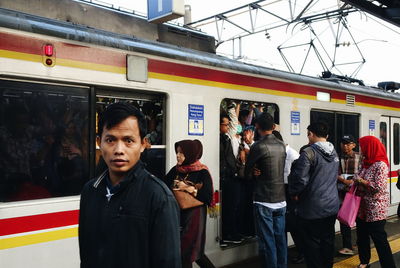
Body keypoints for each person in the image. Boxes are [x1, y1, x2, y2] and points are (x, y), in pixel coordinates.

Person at [79, 102, 181, 268]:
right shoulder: (90, 191)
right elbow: (86, 254)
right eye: (110, 140)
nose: (119, 150)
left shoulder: (158, 197)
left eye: (128, 141)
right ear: (99, 142)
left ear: (143, 144)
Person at [288, 122, 339, 268]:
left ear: (310, 134)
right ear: (327, 135)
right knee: (327, 241)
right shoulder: (334, 152)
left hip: (313, 208)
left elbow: (300, 179)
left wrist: (294, 193)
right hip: (331, 206)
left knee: (312, 246)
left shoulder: (309, 153)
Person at [245, 112, 287, 268]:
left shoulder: (259, 146)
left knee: (268, 241)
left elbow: (246, 172)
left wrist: (254, 171)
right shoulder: (282, 145)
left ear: (257, 127)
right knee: (280, 239)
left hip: (264, 199)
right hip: (281, 199)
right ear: (273, 127)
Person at [164, 140, 214, 268]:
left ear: (190, 154)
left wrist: (189, 189)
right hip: (178, 215)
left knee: (186, 252)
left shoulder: (202, 172)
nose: (178, 155)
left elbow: (208, 196)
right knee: (194, 252)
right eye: (177, 152)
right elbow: (162, 185)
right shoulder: (175, 170)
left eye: (182, 153)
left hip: (195, 216)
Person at [354, 136, 396, 268]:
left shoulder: (381, 165)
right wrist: (358, 179)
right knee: (362, 237)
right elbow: (358, 176)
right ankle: (364, 262)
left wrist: (360, 181)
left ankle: (388, 265)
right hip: (362, 207)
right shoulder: (366, 162)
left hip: (376, 209)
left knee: (379, 239)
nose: (361, 150)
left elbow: (378, 187)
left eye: (362, 146)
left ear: (370, 147)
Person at [272, 130, 303, 264]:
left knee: (294, 225)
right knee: (282, 225)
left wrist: (294, 193)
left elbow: (297, 177)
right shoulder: (280, 153)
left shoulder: (293, 155)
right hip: (281, 190)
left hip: (290, 192)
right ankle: (282, 252)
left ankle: (302, 251)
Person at [220, 112, 242, 244]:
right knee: (228, 207)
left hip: (230, 176)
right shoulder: (221, 139)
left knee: (232, 206)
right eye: (225, 124)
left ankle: (231, 231)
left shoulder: (226, 138)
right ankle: (227, 233)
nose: (228, 127)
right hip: (225, 177)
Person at [337, 134, 361, 256]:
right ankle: (347, 246)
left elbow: (362, 173)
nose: (345, 146)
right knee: (344, 219)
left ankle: (359, 243)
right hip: (342, 193)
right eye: (343, 143)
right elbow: (334, 173)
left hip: (356, 193)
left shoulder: (359, 157)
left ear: (353, 145)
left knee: (358, 218)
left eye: (348, 143)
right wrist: (343, 180)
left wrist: (353, 181)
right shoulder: (337, 157)